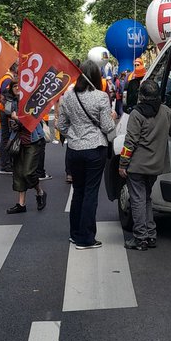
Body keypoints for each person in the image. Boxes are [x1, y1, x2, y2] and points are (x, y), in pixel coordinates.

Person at [57, 59, 117, 249]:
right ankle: (86, 238)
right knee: (91, 194)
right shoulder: (100, 97)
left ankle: (75, 234)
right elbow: (107, 127)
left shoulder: (68, 96)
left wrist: (74, 135)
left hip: (74, 150)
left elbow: (60, 125)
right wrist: (113, 119)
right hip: (95, 149)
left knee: (78, 192)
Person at [119, 78, 171, 250]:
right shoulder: (165, 111)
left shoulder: (136, 114)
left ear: (141, 96)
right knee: (146, 198)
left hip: (137, 166)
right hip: (155, 166)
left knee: (138, 200)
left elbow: (129, 142)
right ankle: (150, 235)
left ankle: (140, 238)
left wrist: (122, 164)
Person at [4, 82, 47, 214]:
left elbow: (31, 118)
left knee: (28, 172)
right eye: (14, 86)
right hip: (17, 140)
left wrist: (18, 119)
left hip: (33, 140)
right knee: (18, 172)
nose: (17, 88)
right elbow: (7, 114)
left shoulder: (32, 100)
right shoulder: (10, 102)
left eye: (19, 85)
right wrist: (13, 120)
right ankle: (21, 203)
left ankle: (40, 192)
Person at [0, 61, 18, 175]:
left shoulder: (6, 77)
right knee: (7, 137)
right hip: (6, 112)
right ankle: (6, 164)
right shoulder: (7, 79)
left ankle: (7, 163)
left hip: (5, 110)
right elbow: (6, 96)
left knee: (8, 137)